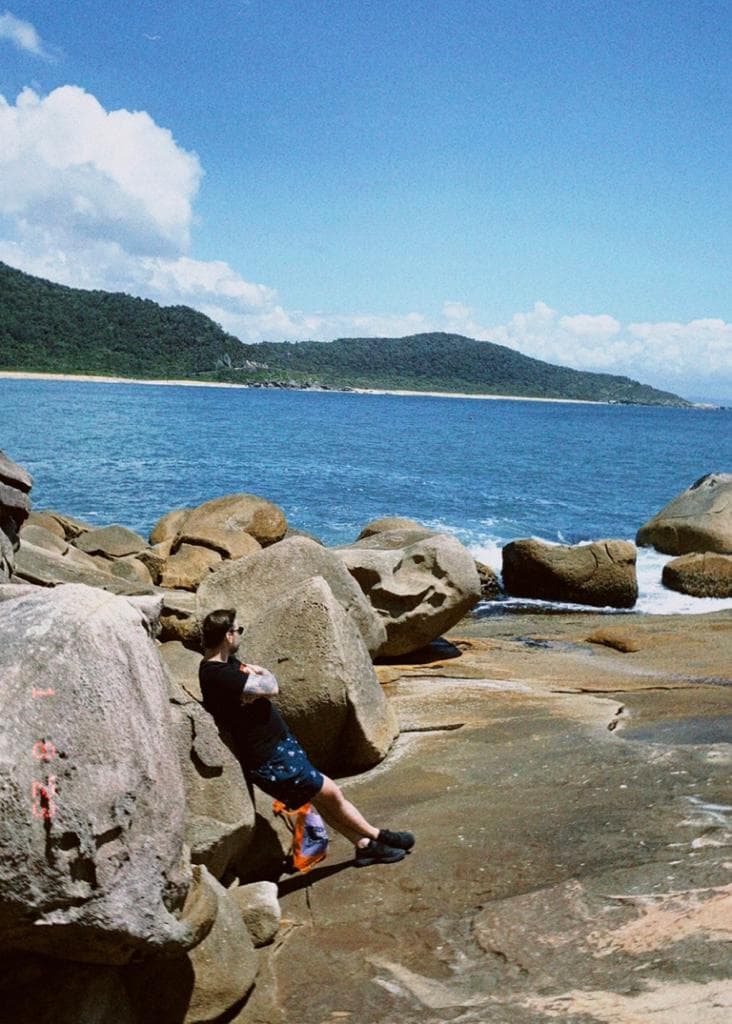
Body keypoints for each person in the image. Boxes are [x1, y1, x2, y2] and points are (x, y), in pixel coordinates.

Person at [198, 608, 415, 867]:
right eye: (239, 630)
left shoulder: (227, 666)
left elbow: (261, 689)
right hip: (271, 758)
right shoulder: (218, 675)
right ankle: (380, 835)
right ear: (228, 635)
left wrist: (257, 683)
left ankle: (365, 845)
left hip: (279, 748)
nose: (241, 635)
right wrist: (263, 675)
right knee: (331, 793)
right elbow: (271, 686)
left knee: (321, 797)